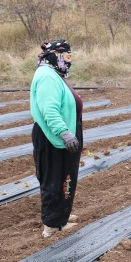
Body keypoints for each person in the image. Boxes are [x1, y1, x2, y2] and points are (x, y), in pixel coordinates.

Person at [30, 39, 83, 238]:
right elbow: (49, 110)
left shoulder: (53, 73)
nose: (70, 61)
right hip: (53, 137)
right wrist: (65, 133)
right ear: (57, 56)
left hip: (62, 136)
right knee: (54, 178)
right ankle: (51, 224)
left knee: (65, 177)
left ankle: (62, 215)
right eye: (67, 57)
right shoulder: (46, 76)